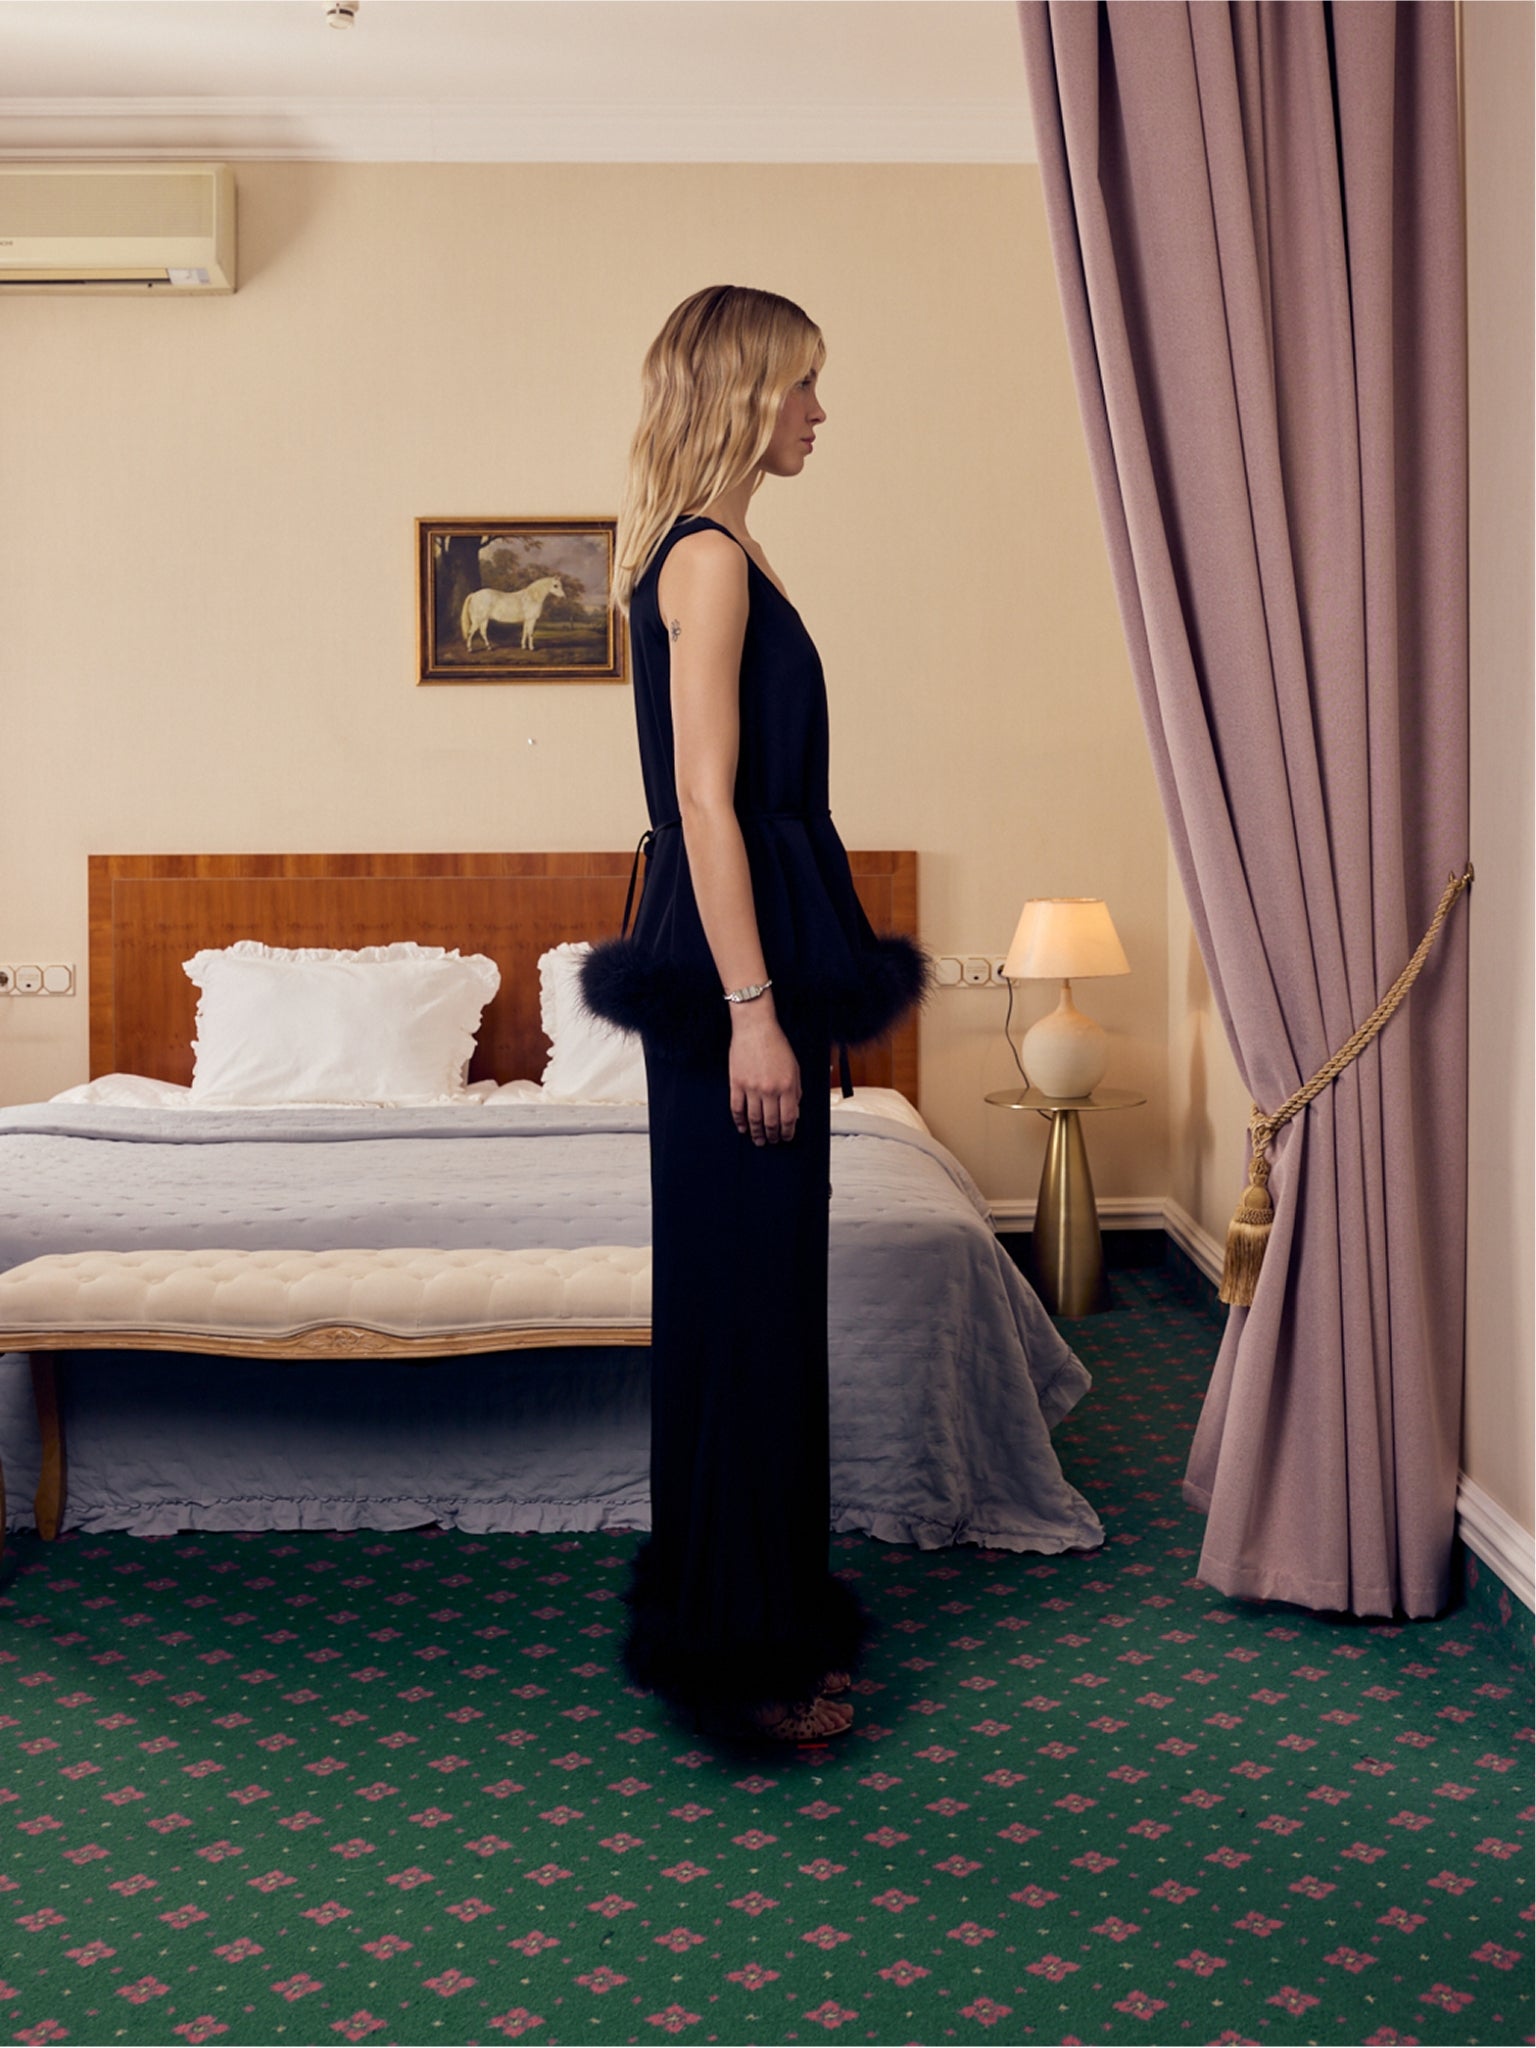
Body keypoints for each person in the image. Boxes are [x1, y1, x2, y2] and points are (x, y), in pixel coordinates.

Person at [581, 285, 928, 1744]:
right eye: (799, 386)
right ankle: (745, 1656)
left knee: (758, 1307)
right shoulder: (710, 559)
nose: (818, 412)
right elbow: (706, 804)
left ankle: (754, 1610)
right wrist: (755, 1015)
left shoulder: (714, 547)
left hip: (751, 955)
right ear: (738, 393)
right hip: (740, 973)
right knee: (744, 1311)